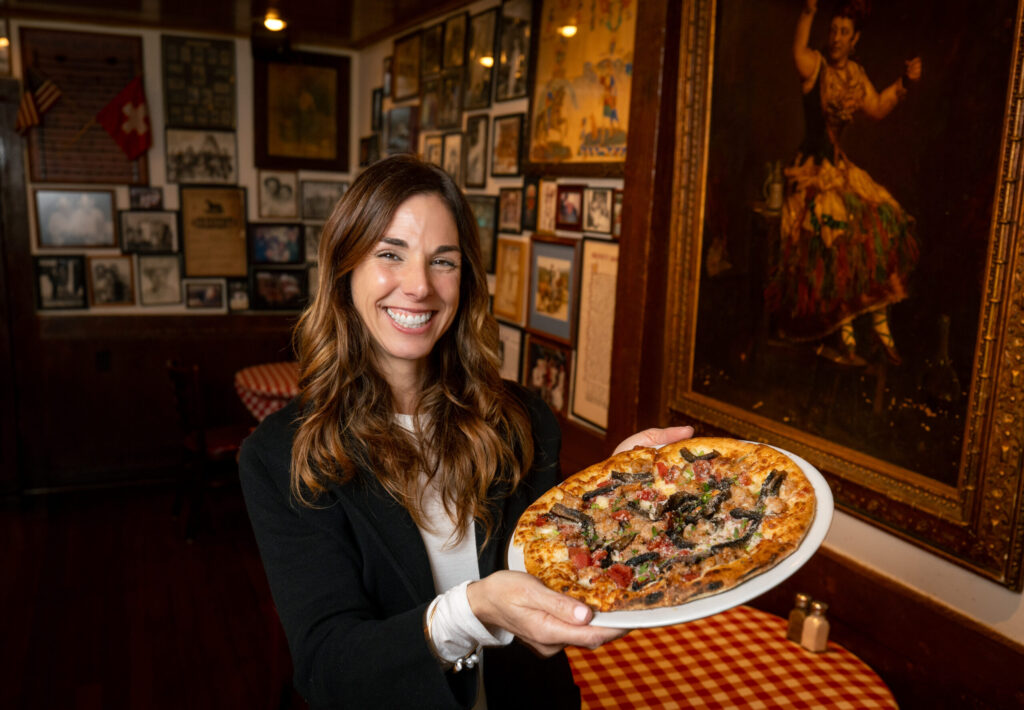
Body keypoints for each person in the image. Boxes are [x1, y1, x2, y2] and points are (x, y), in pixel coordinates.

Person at [239, 155, 691, 709]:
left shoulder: (523, 419)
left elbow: (555, 564)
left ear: (466, 278)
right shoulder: (278, 456)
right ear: (344, 269)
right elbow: (330, 666)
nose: (419, 286)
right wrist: (473, 610)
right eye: (389, 254)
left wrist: (614, 493)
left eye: (443, 261)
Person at [765, 0, 921, 366]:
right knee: (835, 229)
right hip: (810, 172)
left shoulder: (856, 74)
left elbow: (879, 108)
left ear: (855, 40)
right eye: (832, 31)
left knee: (883, 217)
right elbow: (797, 49)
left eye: (844, 33)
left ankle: (881, 329)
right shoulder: (814, 65)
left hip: (840, 171)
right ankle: (846, 336)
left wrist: (905, 83)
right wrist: (807, 12)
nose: (835, 38)